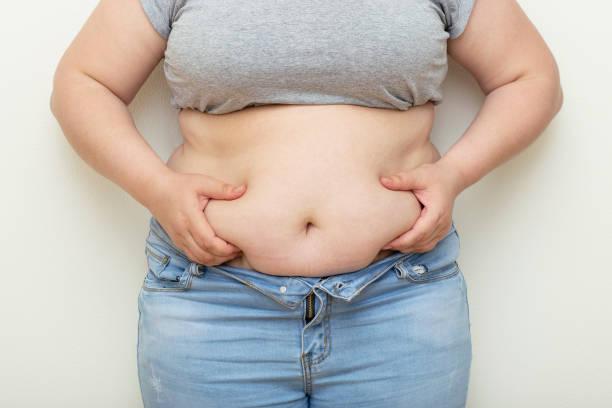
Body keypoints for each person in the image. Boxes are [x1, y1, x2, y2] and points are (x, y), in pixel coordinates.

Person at [50, 0, 563, 406]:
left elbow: (530, 78)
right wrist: (157, 189)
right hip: (214, 302)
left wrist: (455, 174)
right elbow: (84, 84)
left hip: (397, 297)